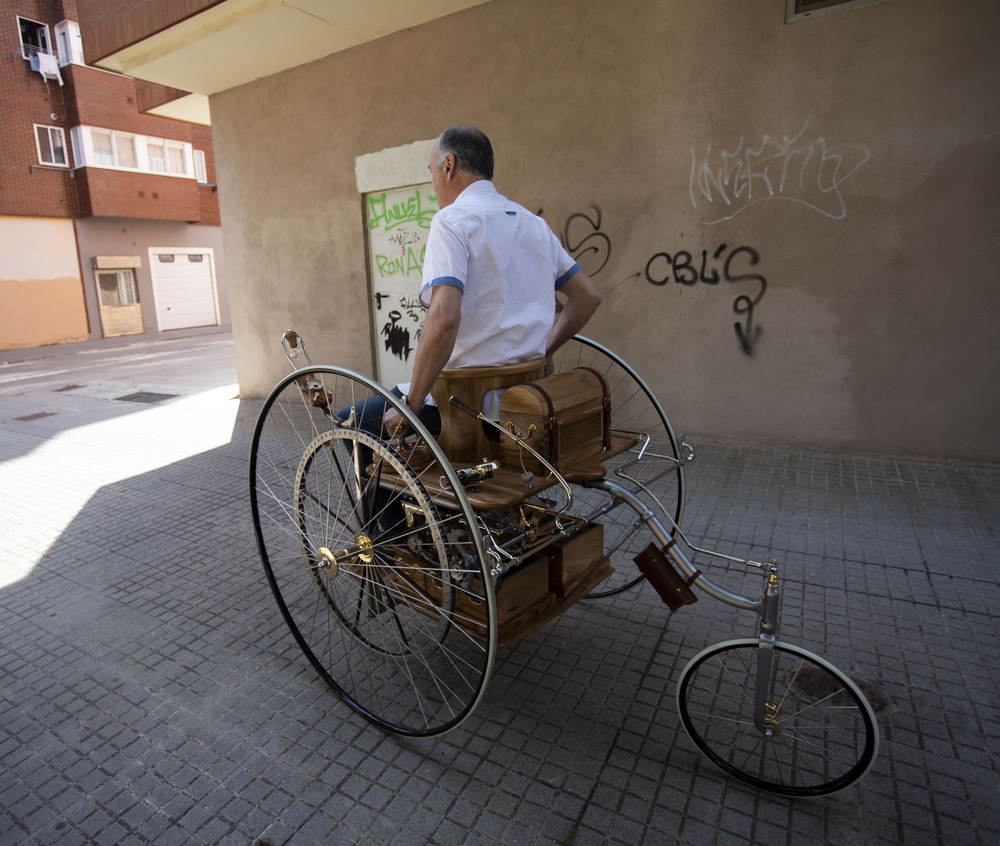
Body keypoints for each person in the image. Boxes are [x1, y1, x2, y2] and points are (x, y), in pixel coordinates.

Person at [338, 123, 601, 467]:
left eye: (431, 171)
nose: (432, 182)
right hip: (523, 399)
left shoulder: (451, 221)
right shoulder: (533, 224)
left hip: (461, 402)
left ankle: (395, 523)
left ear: (448, 166)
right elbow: (587, 297)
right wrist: (544, 349)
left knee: (351, 421)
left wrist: (412, 406)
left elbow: (444, 317)